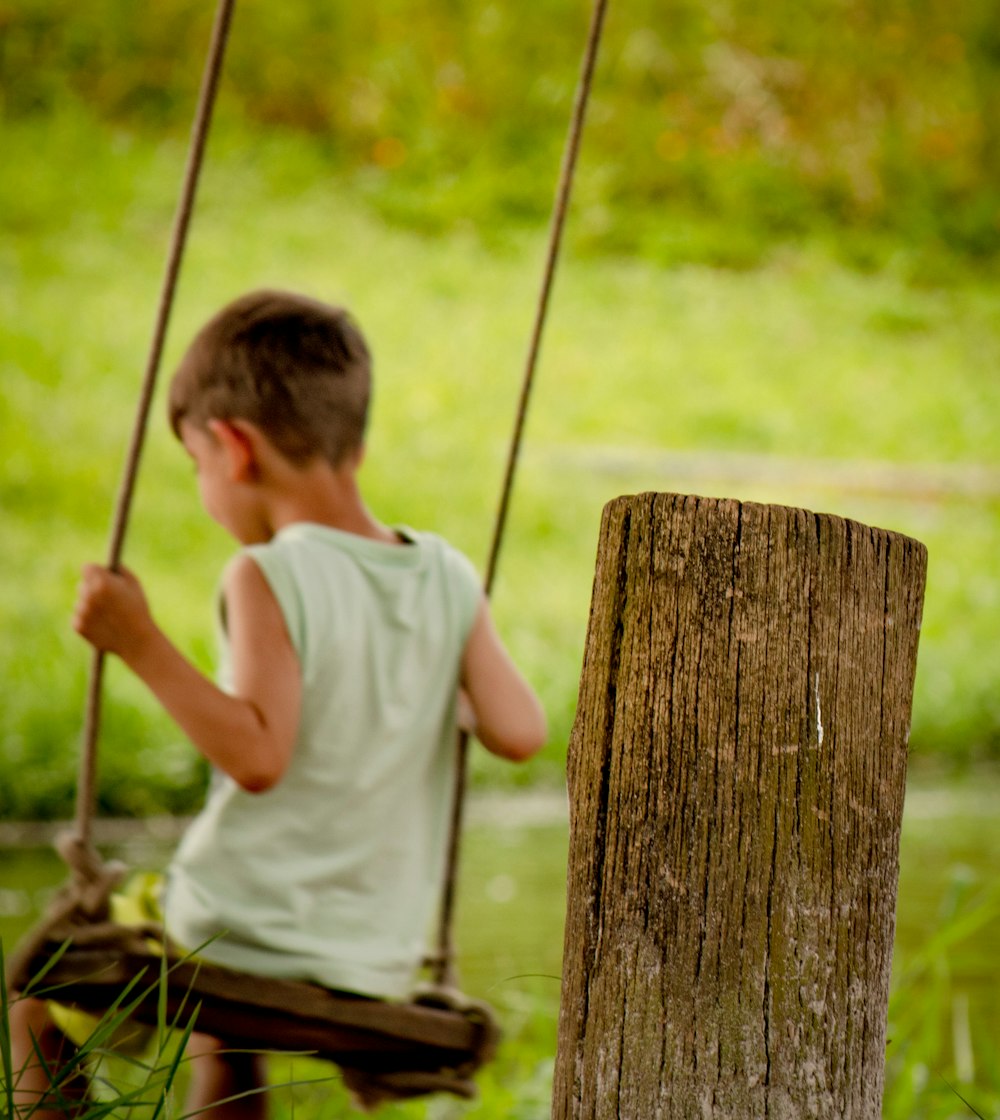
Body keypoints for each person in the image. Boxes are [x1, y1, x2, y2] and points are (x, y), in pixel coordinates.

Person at [9, 289, 547, 1119]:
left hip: (237, 926)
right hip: (377, 951)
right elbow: (521, 731)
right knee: (226, 1035)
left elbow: (259, 758)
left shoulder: (268, 571)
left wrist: (139, 641)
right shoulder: (446, 573)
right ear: (353, 440)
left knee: (39, 996)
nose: (203, 485)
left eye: (195, 465)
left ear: (233, 446)